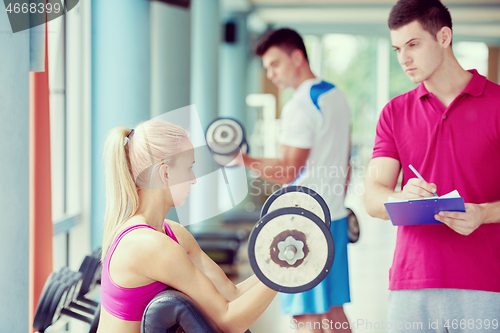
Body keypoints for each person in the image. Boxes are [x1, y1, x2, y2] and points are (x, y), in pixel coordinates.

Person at [364, 0, 500, 332]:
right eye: (397, 49)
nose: (403, 59)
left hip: (485, 283)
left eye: (413, 45)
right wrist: (401, 198)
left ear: (443, 37)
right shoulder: (394, 113)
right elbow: (372, 197)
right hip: (411, 283)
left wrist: (483, 213)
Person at [96, 120, 277, 333]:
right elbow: (228, 322)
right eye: (189, 168)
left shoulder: (173, 233)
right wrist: (286, 274)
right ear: (165, 173)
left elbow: (232, 295)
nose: (193, 179)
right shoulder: (148, 245)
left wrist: (276, 266)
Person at [239, 28, 352, 333]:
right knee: (334, 312)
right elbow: (346, 165)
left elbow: (288, 171)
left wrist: (245, 161)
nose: (272, 74)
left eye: (275, 64)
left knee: (306, 317)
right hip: (335, 215)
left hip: (305, 220)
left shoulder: (300, 105)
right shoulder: (336, 96)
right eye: (267, 68)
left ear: (297, 57)